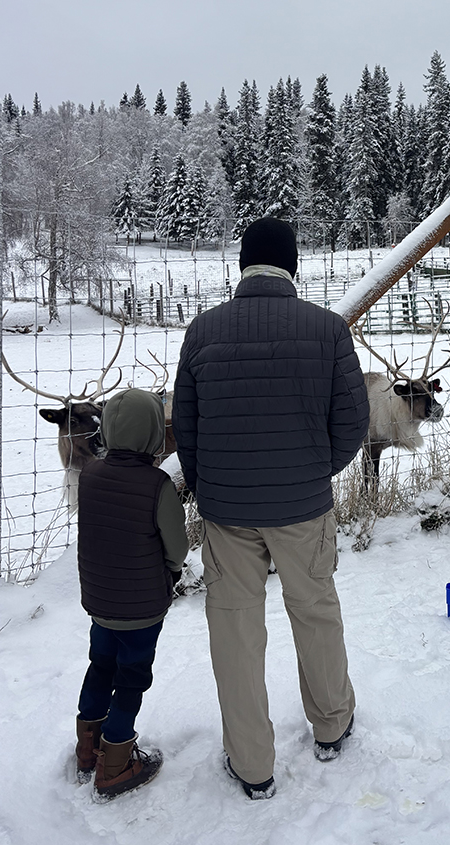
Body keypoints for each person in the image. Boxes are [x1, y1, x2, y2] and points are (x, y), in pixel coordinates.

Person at [173, 217, 369, 800]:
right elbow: (353, 421)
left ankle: (252, 763)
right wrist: (313, 471)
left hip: (227, 510)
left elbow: (186, 425)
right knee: (315, 611)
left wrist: (214, 483)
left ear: (241, 266)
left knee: (234, 630)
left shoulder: (202, 332)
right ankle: (332, 724)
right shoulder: (328, 330)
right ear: (292, 265)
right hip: (304, 506)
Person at [74, 388, 188, 801]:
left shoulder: (89, 475)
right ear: (155, 433)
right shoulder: (157, 485)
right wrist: (171, 572)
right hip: (141, 609)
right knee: (132, 679)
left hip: (100, 602)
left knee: (100, 666)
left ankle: (87, 749)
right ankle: (116, 764)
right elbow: (176, 546)